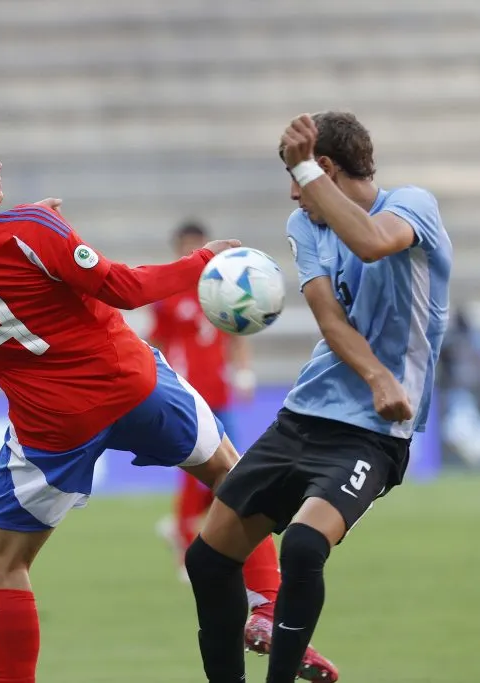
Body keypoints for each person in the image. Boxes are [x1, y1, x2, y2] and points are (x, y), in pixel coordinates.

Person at [0, 117, 248, 683]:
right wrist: (201, 261)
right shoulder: (33, 225)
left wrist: (25, 231)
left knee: (5, 564)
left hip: (51, 425)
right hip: (128, 385)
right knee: (233, 479)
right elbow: (125, 288)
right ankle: (271, 609)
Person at [185, 111, 452, 683]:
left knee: (304, 546)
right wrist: (377, 374)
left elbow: (375, 243)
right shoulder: (305, 225)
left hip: (375, 433)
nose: (291, 190)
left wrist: (384, 382)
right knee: (207, 561)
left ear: (323, 167)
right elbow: (329, 317)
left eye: (294, 175)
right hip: (302, 415)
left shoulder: (412, 206)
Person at [149, 222, 337, 678]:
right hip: (186, 394)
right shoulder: (173, 295)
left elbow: (233, 335)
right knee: (226, 479)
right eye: (186, 247)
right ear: (179, 249)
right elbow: (156, 337)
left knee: (232, 476)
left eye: (198, 245)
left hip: (219, 394)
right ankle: (255, 597)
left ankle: (254, 597)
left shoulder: (223, 285)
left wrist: (244, 372)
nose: (193, 252)